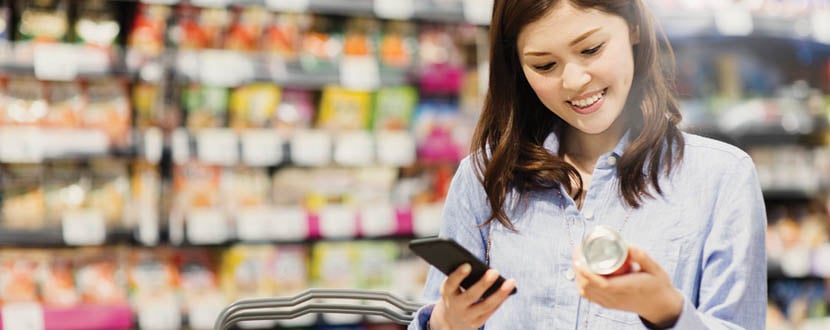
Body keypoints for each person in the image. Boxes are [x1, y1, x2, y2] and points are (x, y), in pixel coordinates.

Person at [408, 0, 767, 329]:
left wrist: (666, 310)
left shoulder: (721, 177)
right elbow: (439, 309)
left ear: (634, 27)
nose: (574, 81)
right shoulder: (484, 178)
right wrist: (444, 323)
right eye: (544, 65)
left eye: (591, 49)